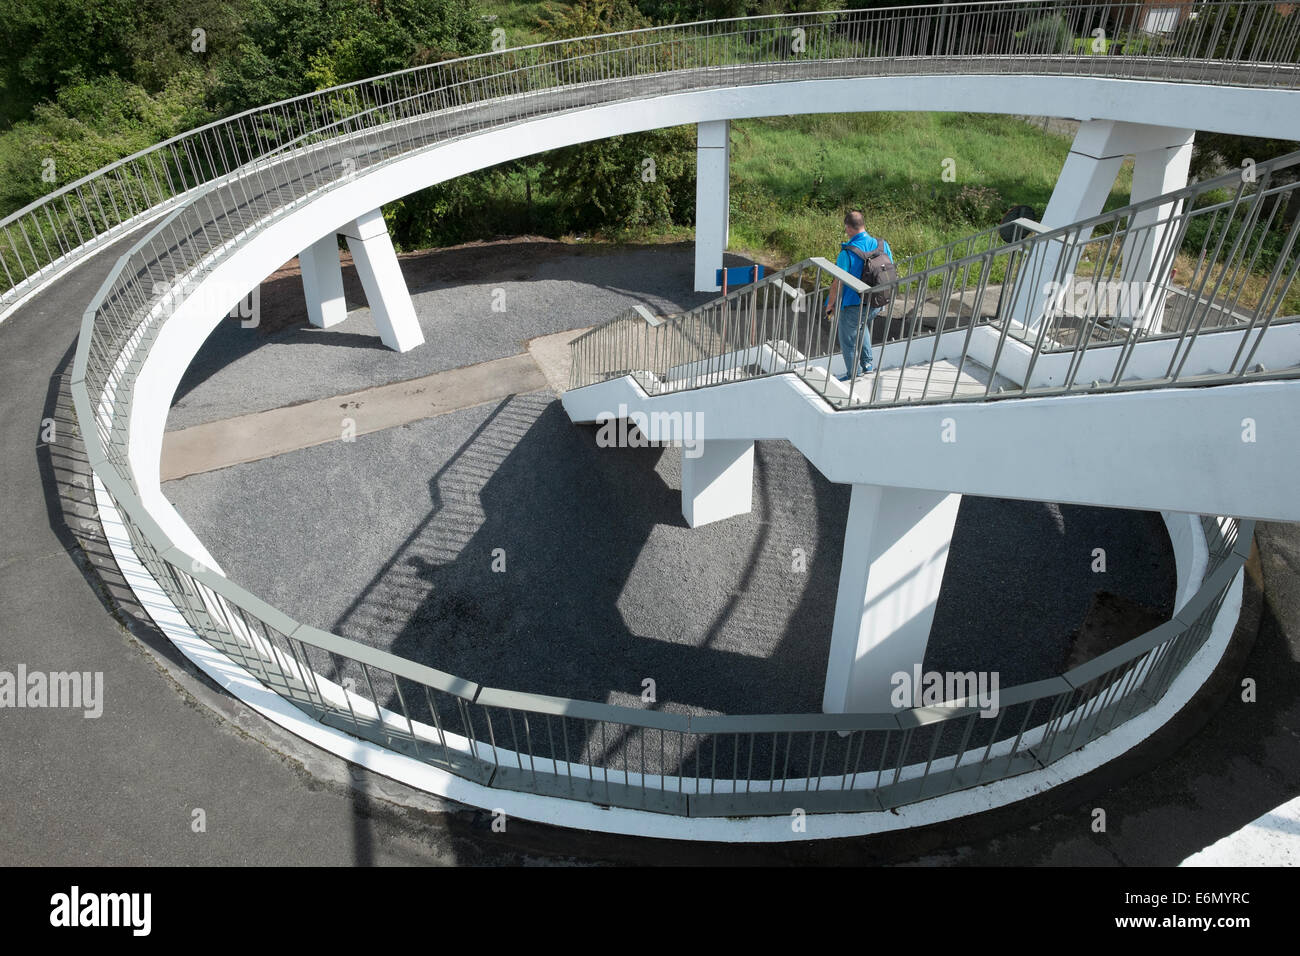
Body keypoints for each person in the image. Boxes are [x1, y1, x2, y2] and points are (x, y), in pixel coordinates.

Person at [825, 210, 892, 382]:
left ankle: (853, 373)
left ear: (848, 228)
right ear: (863, 224)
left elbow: (837, 283)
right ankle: (867, 364)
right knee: (861, 326)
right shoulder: (882, 245)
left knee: (847, 338)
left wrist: (830, 305)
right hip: (877, 301)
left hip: (854, 304)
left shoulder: (847, 253)